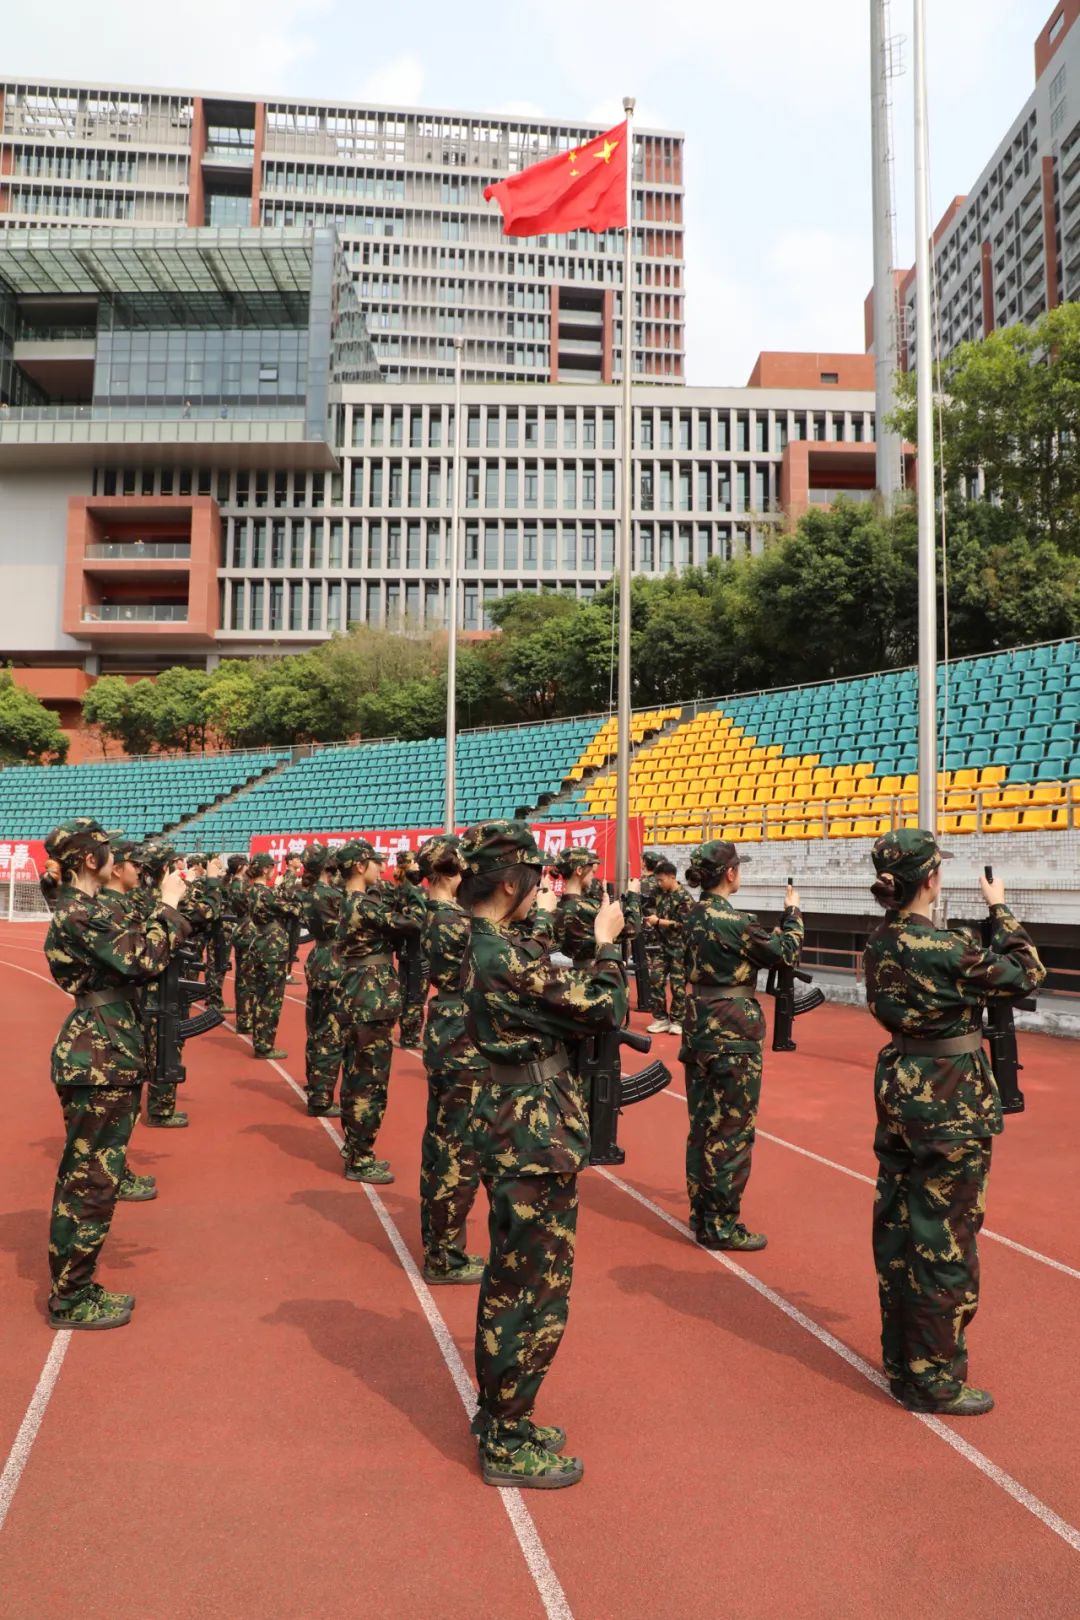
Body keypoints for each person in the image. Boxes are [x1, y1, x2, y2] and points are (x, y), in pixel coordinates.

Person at [460, 819, 628, 1490]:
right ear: (510, 883)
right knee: (530, 1289)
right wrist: (608, 948)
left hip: (524, 1124)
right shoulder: (501, 956)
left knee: (520, 1279)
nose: (541, 891)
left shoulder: (496, 945)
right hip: (530, 1134)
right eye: (535, 881)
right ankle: (505, 1437)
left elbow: (540, 961)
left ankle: (509, 1416)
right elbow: (603, 1005)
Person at [864, 829, 1046, 1417]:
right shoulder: (943, 949)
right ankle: (934, 1377)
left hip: (901, 1090)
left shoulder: (880, 942)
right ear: (930, 880)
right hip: (949, 1103)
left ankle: (902, 1360)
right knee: (945, 1240)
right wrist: (1001, 908)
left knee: (897, 1228)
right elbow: (1028, 973)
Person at [41, 819, 188, 1329]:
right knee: (90, 1183)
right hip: (97, 1055)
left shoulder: (90, 908)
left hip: (107, 1048)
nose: (113, 855)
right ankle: (71, 1297)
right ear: (89, 860)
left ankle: (75, 1286)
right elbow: (141, 958)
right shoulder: (79, 913)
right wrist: (168, 904)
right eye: (106, 849)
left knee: (94, 1178)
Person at [681, 840, 803, 1252]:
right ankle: (720, 1224)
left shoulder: (692, 915)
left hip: (698, 1022)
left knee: (702, 1125)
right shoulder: (735, 922)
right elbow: (784, 953)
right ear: (730, 873)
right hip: (732, 1031)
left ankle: (702, 1212)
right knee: (732, 1130)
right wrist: (793, 916)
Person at [333, 839, 426, 1183]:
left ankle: (357, 1147)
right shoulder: (361, 905)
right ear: (359, 866)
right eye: (374, 862)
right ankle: (360, 1156)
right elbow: (415, 921)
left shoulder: (356, 902)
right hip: (368, 1000)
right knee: (368, 1082)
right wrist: (414, 887)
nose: (380, 867)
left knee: (359, 1076)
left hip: (363, 996)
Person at [416, 834, 485, 1285]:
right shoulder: (457, 922)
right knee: (459, 1149)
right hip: (463, 1033)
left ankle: (436, 1240)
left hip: (446, 1025)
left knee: (441, 1142)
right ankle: (445, 1255)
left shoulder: (435, 916)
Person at [97, 837, 160, 1203]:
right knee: (113, 1108)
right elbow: (143, 959)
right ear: (117, 868)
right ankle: (111, 1177)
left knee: (121, 1107)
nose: (143, 871)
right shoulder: (108, 910)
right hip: (108, 1022)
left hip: (121, 1015)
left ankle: (116, 1172)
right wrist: (168, 907)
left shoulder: (119, 905)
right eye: (138, 865)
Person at [136, 842, 194, 1129]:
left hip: (156, 983)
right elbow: (189, 924)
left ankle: (160, 1107)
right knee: (162, 1045)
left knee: (161, 1044)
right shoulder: (150, 902)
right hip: (154, 985)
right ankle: (160, 1110)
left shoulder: (147, 898)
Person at [244, 852, 302, 1059]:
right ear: (265, 869)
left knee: (261, 995)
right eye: (271, 867)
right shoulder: (265, 894)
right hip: (272, 947)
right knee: (271, 999)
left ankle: (261, 1040)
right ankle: (264, 1045)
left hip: (262, 943)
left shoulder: (252, 891)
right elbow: (292, 910)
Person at [301, 841, 345, 1116]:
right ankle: (321, 1097)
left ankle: (313, 1082)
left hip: (318, 957)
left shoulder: (308, 892)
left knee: (316, 1027)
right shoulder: (329, 894)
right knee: (330, 1033)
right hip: (333, 960)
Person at [645, 859, 692, 1034]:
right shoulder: (659, 893)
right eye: (657, 880)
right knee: (655, 980)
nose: (658, 883)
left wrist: (659, 922)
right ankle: (660, 1018)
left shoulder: (684, 898)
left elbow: (684, 925)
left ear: (672, 877)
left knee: (677, 985)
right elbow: (648, 905)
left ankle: (678, 1020)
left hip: (680, 948)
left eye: (661, 880)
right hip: (662, 946)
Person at [393, 848, 429, 1048]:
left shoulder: (399, 888)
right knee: (416, 994)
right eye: (415, 862)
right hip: (418, 949)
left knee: (406, 991)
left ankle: (407, 1032)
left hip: (405, 949)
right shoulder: (416, 890)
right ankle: (411, 1036)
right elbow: (420, 920)